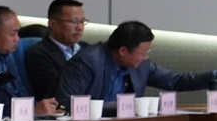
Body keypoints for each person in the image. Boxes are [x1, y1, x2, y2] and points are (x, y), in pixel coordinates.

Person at [60, 20, 217, 103]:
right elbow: (66, 102)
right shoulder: (87, 62)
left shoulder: (141, 66)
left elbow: (176, 81)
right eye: (143, 53)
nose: (146, 57)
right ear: (123, 51)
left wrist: (214, 75)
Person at [24, 0, 89, 115]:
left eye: (82, 21)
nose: (79, 27)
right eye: (73, 22)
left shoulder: (87, 50)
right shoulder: (39, 54)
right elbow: (56, 91)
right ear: (53, 24)